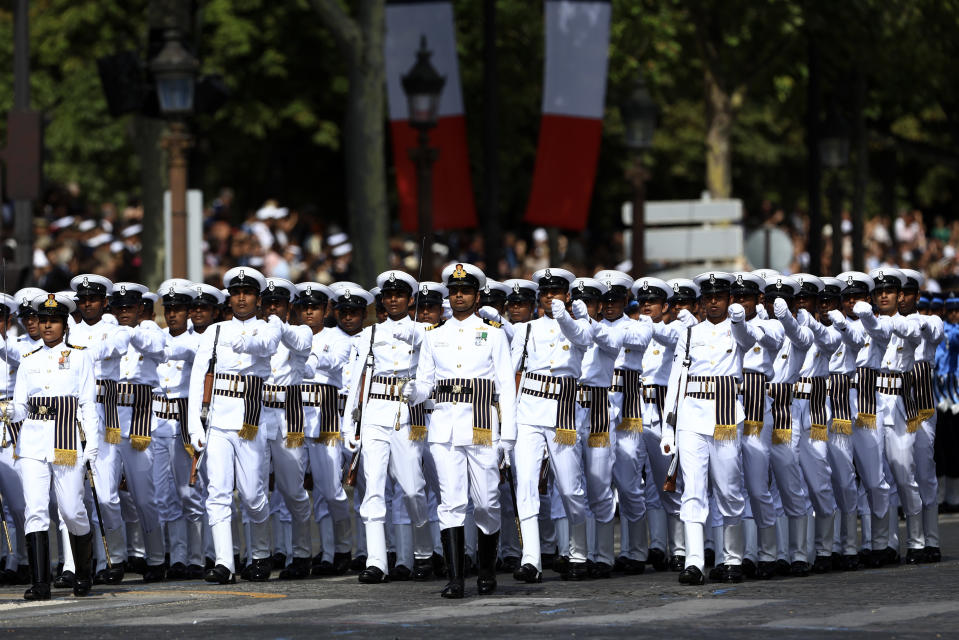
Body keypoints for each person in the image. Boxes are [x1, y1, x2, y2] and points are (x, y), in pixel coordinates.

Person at [410, 262, 516, 598]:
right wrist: (412, 391)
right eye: (454, 291)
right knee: (451, 502)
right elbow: (426, 383)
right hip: (444, 427)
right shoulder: (434, 335)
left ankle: (486, 569)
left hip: (483, 426)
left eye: (465, 291)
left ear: (477, 295)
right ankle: (456, 579)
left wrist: (508, 435)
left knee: (486, 502)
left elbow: (505, 387)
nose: (458, 296)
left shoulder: (494, 333)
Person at [662, 272, 760, 585]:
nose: (714, 302)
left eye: (720, 296)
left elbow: (749, 340)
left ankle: (731, 559)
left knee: (729, 488)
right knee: (692, 490)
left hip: (725, 415)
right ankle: (693, 562)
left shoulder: (739, 328)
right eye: (709, 297)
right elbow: (676, 379)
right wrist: (669, 428)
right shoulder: (690, 333)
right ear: (703, 301)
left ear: (729, 298)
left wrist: (740, 321)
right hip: (691, 414)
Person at [187, 267, 281, 584]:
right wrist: (193, 426)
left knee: (253, 495)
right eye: (236, 292)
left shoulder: (269, 329)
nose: (241, 298)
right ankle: (225, 562)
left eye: (248, 293)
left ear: (258, 298)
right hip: (219, 420)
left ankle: (260, 555)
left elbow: (268, 348)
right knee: (217, 492)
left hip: (251, 420)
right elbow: (198, 375)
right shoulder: (215, 331)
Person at [344, 270, 432, 584]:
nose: (393, 300)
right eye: (389, 296)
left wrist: (418, 390)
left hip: (407, 413)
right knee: (374, 486)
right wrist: (347, 427)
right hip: (374, 413)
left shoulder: (425, 332)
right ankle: (377, 561)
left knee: (412, 488)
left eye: (399, 295)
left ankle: (422, 553)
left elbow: (430, 379)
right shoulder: (368, 334)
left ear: (410, 300)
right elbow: (357, 381)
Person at [12, 292, 98, 599]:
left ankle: (84, 571)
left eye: (54, 321)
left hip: (67, 442)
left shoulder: (80, 356)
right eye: (43, 320)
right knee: (34, 510)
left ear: (65, 324)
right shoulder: (28, 360)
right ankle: (40, 583)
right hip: (34, 443)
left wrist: (94, 442)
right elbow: (22, 406)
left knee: (72, 510)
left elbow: (88, 403)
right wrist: (9, 410)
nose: (47, 326)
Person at [511, 267, 593, 583]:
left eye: (555, 292)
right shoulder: (526, 329)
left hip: (562, 409)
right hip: (529, 409)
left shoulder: (580, 324)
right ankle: (531, 558)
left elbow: (582, 339)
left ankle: (578, 552)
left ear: (567, 295)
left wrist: (565, 317)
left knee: (570, 487)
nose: (549, 297)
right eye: (545, 293)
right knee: (527, 484)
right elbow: (512, 372)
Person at [259, 277, 315, 580]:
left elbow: (302, 344)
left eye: (277, 304)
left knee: (293, 491)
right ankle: (260, 555)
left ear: (288, 306)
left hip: (286, 416)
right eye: (267, 303)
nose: (271, 308)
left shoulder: (299, 330)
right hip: (256, 414)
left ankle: (302, 554)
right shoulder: (253, 330)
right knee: (254, 491)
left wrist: (277, 325)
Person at [296, 281, 354, 576]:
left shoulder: (340, 337)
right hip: (295, 417)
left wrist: (310, 361)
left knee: (331, 489)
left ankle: (343, 547)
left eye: (315, 307)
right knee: (307, 493)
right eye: (304, 307)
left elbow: (334, 361)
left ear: (326, 309)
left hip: (325, 416)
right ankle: (325, 552)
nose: (309, 312)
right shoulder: (291, 336)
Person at [154, 279, 203, 579]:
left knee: (189, 493)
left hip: (185, 418)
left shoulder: (199, 339)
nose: (172, 314)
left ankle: (198, 557)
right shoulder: (155, 337)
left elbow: (187, 354)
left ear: (188, 311)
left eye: (178, 309)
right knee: (163, 496)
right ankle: (178, 557)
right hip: (158, 419)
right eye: (168, 308)